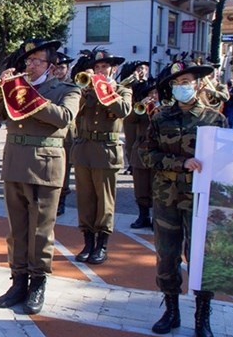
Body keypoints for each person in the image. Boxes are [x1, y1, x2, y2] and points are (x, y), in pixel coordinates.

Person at [0, 39, 80, 314]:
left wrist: (29, 96)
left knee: (40, 230)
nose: (30, 65)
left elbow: (64, 117)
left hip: (44, 167)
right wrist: (3, 92)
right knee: (16, 230)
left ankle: (38, 281)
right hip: (15, 162)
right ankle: (18, 280)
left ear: (51, 66)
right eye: (28, 61)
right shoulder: (15, 88)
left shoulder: (66, 89)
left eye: (37, 61)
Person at [140, 59, 226, 337]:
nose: (182, 87)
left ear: (199, 84)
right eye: (177, 84)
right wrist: (180, 162)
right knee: (167, 255)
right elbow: (145, 155)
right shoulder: (160, 117)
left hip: (202, 201)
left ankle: (203, 316)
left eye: (186, 82)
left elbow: (226, 163)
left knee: (200, 258)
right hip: (167, 197)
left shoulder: (215, 120)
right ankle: (171, 311)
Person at [71, 49, 133, 265]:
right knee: (85, 199)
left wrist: (105, 91)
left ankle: (102, 245)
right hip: (84, 149)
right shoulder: (84, 88)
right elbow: (73, 113)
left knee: (104, 201)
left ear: (113, 69)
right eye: (97, 68)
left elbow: (124, 110)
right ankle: (87, 242)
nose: (100, 70)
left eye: (104, 67)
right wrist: (85, 92)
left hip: (107, 151)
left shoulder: (123, 90)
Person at [129, 79, 157, 229]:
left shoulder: (166, 108)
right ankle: (143, 215)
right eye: (151, 93)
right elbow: (131, 120)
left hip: (157, 151)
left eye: (156, 93)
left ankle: (156, 218)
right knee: (140, 186)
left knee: (155, 185)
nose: (153, 96)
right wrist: (140, 106)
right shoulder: (142, 108)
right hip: (141, 150)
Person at [52, 52, 75, 216]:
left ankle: (61, 201)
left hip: (67, 135)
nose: (59, 71)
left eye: (62, 68)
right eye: (56, 68)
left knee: (64, 170)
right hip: (50, 133)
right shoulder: (48, 85)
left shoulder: (73, 87)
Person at [121, 61, 150, 175]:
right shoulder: (131, 82)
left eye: (142, 68)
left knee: (142, 139)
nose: (140, 71)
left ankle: (140, 163)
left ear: (146, 70)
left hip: (144, 114)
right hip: (131, 114)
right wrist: (133, 80)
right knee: (130, 141)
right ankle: (131, 164)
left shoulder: (149, 83)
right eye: (138, 68)